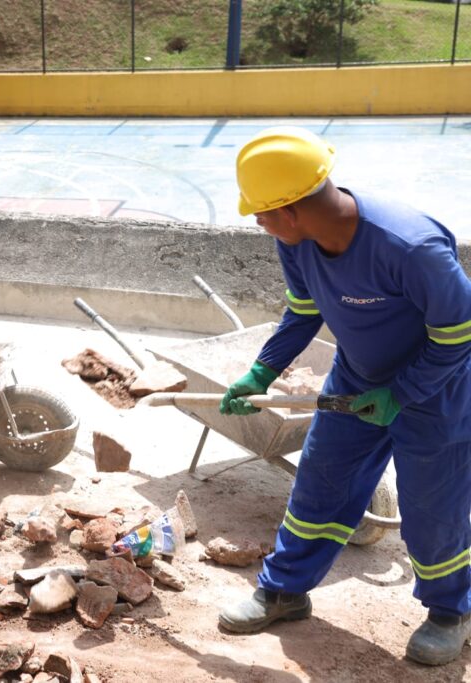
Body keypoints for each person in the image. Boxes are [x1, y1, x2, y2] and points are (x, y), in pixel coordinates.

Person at [215, 126, 471, 665]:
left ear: (289, 209)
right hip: (354, 382)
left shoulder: (411, 246)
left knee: (432, 506)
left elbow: (458, 335)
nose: (258, 224)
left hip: (436, 389)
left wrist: (402, 393)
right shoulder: (299, 242)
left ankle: (449, 610)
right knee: (319, 485)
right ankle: (284, 590)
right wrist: (262, 371)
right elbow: (304, 310)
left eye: (260, 213)